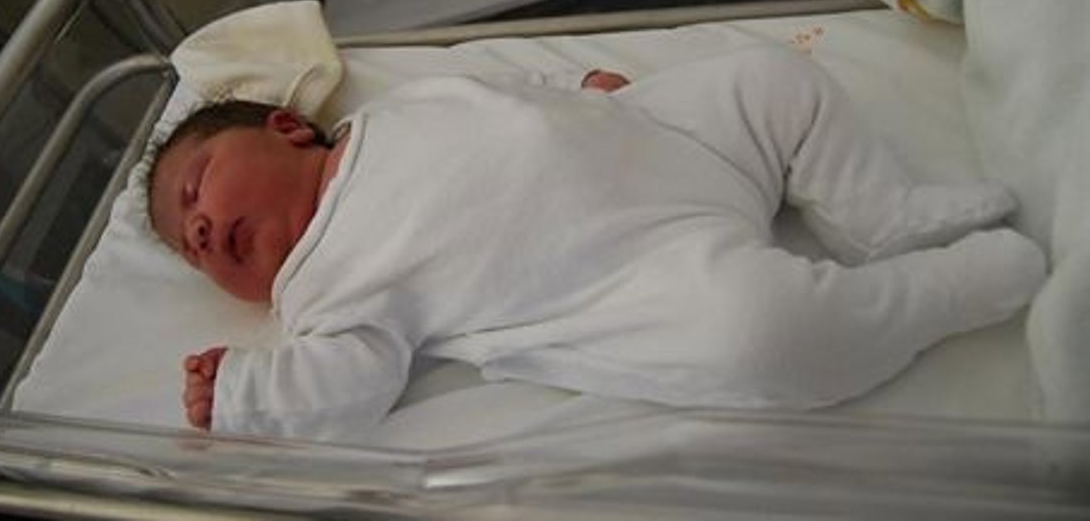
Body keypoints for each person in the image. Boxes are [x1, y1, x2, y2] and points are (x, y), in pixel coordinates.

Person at [147, 44, 1045, 441]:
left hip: (658, 134)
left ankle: (882, 214)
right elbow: (347, 386)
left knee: (775, 81)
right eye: (192, 249)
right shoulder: (323, 290)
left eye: (196, 188)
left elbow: (495, 88)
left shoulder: (390, 112)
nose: (201, 230)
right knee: (763, 336)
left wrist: (575, 78)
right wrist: (248, 391)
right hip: (627, 275)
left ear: (285, 128)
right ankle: (944, 292)